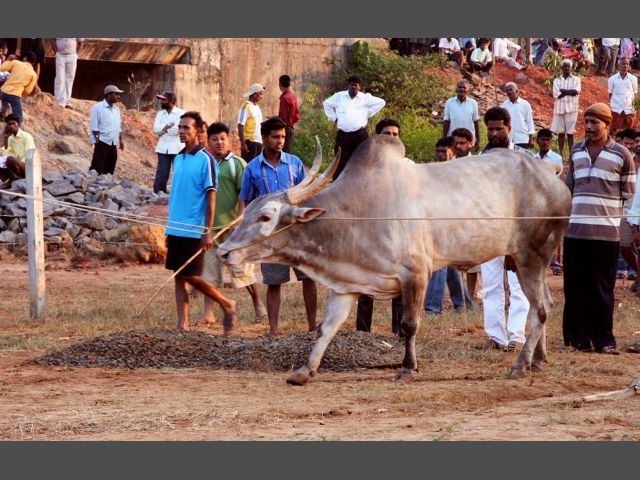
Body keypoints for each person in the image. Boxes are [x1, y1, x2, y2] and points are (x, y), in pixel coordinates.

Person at [562, 103, 635, 355]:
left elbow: (628, 194)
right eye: (586, 122)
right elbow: (569, 189)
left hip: (605, 234)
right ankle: (575, 341)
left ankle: (604, 341)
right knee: (574, 288)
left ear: (607, 124)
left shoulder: (621, 154)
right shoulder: (576, 151)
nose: (589, 127)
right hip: (575, 233)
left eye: (595, 123)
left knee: (602, 288)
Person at [239, 117, 317, 336]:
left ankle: (312, 326)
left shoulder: (295, 163)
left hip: (296, 231)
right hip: (271, 235)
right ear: (264, 139)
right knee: (273, 281)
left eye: (282, 137)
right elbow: (248, 202)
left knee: (308, 277)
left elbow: (307, 194)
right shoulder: (252, 169)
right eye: (275, 137)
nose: (279, 141)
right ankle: (273, 330)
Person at [164, 111, 237, 333]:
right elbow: (177, 195)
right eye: (181, 127)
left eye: (187, 127)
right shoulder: (178, 158)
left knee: (192, 276)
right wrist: (168, 228)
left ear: (198, 131)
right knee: (179, 275)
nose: (182, 131)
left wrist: (206, 231)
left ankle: (227, 304)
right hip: (175, 227)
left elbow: (211, 197)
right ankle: (182, 324)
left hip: (194, 228)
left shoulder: (206, 160)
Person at [198, 122, 268, 330]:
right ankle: (207, 311)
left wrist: (239, 220)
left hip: (233, 228)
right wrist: (204, 226)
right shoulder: (205, 163)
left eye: (222, 138)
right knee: (209, 271)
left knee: (242, 269)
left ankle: (258, 306)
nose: (219, 143)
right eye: (214, 139)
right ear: (208, 141)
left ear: (229, 140)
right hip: (211, 227)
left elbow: (243, 195)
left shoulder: (238, 164)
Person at [479, 107, 532, 351]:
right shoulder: (480, 158)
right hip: (488, 230)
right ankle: (496, 337)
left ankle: (516, 335)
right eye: (490, 129)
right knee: (490, 284)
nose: (495, 133)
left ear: (509, 128)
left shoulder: (524, 157)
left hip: (518, 230)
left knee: (518, 283)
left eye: (499, 128)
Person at [355, 118, 406, 335]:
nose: (391, 138)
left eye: (395, 134)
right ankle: (362, 337)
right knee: (366, 288)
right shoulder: (365, 170)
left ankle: (399, 336)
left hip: (401, 236)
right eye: (387, 134)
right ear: (377, 139)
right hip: (371, 236)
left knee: (401, 288)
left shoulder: (409, 168)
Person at [424, 136, 475, 315]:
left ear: (452, 152)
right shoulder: (433, 170)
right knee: (450, 265)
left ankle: (432, 308)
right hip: (436, 221)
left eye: (444, 151)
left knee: (439, 263)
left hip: (454, 222)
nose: (440, 155)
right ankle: (465, 305)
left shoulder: (457, 171)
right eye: (438, 151)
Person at [323, 75, 386, 179]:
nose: (353, 87)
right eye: (352, 84)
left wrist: (368, 113)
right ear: (348, 86)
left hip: (360, 135)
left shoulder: (365, 98)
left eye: (356, 85)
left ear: (359, 87)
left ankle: (362, 183)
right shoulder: (339, 96)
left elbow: (381, 102)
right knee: (339, 161)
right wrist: (333, 118)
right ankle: (337, 185)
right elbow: (326, 104)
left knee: (363, 159)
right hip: (343, 136)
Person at [450, 127, 480, 301]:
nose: (459, 146)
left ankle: (470, 296)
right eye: (456, 143)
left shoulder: (476, 163)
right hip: (452, 216)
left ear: (470, 144)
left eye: (462, 143)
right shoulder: (449, 162)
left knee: (473, 262)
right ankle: (460, 298)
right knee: (454, 259)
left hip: (472, 215)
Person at [534, 128, 565, 275]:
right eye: (542, 139)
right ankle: (538, 261)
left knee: (554, 230)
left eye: (547, 140)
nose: (545, 142)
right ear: (537, 141)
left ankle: (556, 263)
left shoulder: (556, 158)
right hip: (535, 198)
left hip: (552, 197)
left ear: (551, 142)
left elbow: (555, 178)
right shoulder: (533, 158)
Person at [617, 128, 639, 291]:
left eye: (638, 142)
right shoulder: (626, 159)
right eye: (634, 142)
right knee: (624, 245)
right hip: (626, 209)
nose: (637, 145)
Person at [152, 91, 185, 193]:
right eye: (160, 99)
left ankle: (179, 193)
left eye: (163, 100)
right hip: (162, 148)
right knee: (162, 172)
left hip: (178, 148)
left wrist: (164, 130)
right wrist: (166, 127)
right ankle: (157, 193)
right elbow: (155, 129)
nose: (160, 102)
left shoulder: (182, 113)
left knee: (179, 172)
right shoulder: (160, 113)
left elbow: (177, 131)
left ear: (170, 101)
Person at [89, 85, 124, 175]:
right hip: (102, 141)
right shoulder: (98, 107)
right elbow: (94, 125)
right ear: (109, 95)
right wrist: (97, 140)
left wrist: (120, 140)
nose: (118, 97)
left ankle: (106, 184)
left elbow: (118, 126)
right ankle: (92, 183)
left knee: (110, 166)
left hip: (113, 141)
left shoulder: (116, 110)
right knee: (97, 166)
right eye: (116, 94)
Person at [551, 59, 581, 159]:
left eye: (569, 66)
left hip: (572, 108)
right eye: (565, 66)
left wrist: (563, 91)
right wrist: (568, 92)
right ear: (561, 68)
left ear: (571, 68)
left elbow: (576, 92)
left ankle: (571, 155)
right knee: (561, 132)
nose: (567, 68)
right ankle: (560, 153)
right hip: (559, 109)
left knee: (570, 133)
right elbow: (556, 94)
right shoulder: (557, 80)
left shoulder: (576, 79)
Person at [0, 51, 38, 123]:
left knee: (4, 103)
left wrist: (8, 60)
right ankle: (16, 131)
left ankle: (3, 113)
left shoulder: (16, 63)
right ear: (33, 63)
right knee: (18, 116)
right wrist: (20, 94)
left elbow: (2, 68)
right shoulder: (33, 74)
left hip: (3, 91)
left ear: (25, 58)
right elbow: (27, 91)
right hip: (15, 94)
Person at [0, 113, 35, 188]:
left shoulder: (26, 137)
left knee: (10, 160)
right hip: (15, 166)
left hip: (27, 167)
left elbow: (29, 156)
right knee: (4, 160)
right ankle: (11, 180)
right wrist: (5, 138)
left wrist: (15, 161)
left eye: (14, 123)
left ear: (18, 124)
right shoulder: (10, 138)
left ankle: (16, 179)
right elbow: (5, 153)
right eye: (9, 124)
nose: (11, 126)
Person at [442, 80, 480, 150]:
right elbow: (446, 121)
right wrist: (444, 138)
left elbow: (476, 122)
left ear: (467, 90)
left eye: (464, 87)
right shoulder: (449, 102)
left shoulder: (473, 103)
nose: (462, 89)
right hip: (453, 139)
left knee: (467, 159)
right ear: (456, 89)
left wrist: (478, 140)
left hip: (468, 139)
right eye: (459, 87)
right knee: (453, 159)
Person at [608, 57, 638, 137]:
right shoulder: (612, 79)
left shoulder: (633, 79)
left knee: (629, 132)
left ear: (629, 66)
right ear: (618, 66)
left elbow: (635, 93)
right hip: (616, 108)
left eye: (627, 64)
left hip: (630, 109)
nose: (625, 66)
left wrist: (634, 108)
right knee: (614, 131)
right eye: (623, 64)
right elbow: (610, 93)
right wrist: (612, 106)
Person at [51, 37, 83, 108]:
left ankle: (67, 101)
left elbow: (80, 42)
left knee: (70, 78)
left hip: (72, 55)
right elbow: (53, 40)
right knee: (60, 78)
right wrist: (56, 52)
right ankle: (59, 101)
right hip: (60, 55)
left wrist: (76, 55)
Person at [501, 82, 535, 149]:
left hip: (522, 139)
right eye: (507, 90)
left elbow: (530, 122)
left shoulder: (525, 104)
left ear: (516, 91)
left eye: (510, 89)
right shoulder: (504, 105)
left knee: (522, 159)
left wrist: (530, 139)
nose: (508, 92)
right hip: (509, 139)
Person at [237, 83, 265, 161]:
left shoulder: (256, 107)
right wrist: (243, 144)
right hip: (250, 142)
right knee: (249, 166)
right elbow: (240, 125)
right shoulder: (246, 106)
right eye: (261, 94)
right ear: (254, 94)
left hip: (258, 142)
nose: (262, 96)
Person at [278, 74, 300, 153]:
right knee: (287, 153)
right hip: (290, 129)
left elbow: (282, 119)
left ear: (280, 84)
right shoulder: (293, 97)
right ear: (289, 84)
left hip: (284, 130)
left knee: (282, 155)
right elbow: (297, 117)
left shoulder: (284, 98)